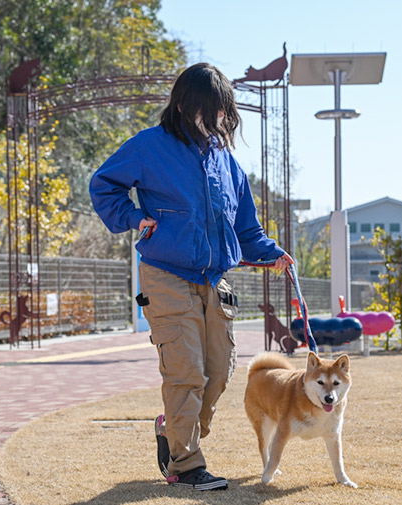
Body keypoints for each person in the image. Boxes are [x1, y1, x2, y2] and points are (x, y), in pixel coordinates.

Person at [89, 62, 293, 491]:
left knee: (218, 372)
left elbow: (246, 228)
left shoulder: (226, 161)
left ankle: (173, 432)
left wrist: (272, 254)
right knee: (185, 372)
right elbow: (103, 184)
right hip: (165, 274)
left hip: (214, 279)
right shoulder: (149, 146)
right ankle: (185, 464)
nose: (218, 119)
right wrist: (134, 218)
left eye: (223, 112)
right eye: (210, 109)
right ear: (183, 104)